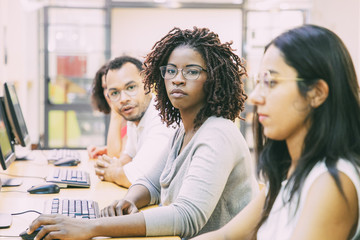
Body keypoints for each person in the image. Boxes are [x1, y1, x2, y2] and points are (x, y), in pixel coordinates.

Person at [26, 27, 259, 239]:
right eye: (171, 70)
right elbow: (152, 183)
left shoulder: (217, 133)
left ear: (213, 79)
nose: (177, 79)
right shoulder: (183, 130)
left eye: (191, 71)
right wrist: (129, 200)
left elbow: (186, 216)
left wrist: (91, 227)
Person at [192, 24, 360, 240]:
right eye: (259, 82)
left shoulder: (331, 183)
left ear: (316, 93)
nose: (255, 98)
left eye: (271, 82)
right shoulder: (287, 172)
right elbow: (227, 236)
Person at [92, 56, 176, 188]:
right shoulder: (134, 115)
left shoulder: (162, 118)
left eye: (131, 88)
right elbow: (128, 156)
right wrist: (112, 165)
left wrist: (110, 171)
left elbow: (136, 178)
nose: (123, 99)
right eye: (114, 93)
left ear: (148, 83)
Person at [87, 63, 127, 159]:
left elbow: (116, 158)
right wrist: (106, 150)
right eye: (105, 87)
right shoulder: (121, 118)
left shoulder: (132, 118)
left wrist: (115, 112)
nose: (109, 93)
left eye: (113, 87)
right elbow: (123, 151)